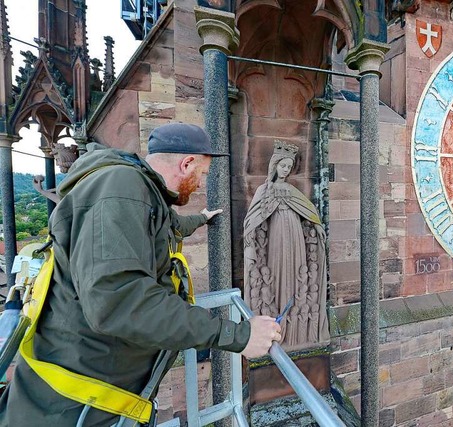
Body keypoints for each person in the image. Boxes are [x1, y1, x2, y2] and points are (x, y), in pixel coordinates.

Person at [0, 123, 281, 426]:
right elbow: (119, 300)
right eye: (201, 173)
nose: (200, 183)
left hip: (94, 397)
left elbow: (168, 226)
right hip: (72, 406)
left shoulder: (140, 190)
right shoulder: (121, 189)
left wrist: (202, 219)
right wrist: (238, 335)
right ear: (186, 163)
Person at [243, 141, 329, 349]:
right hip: (277, 238)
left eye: (289, 168)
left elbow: (309, 212)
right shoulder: (264, 190)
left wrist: (316, 227)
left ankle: (297, 327)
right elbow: (252, 219)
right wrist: (251, 237)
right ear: (275, 165)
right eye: (283, 166)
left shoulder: (292, 191)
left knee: (296, 274)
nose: (285, 170)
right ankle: (276, 325)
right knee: (277, 272)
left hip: (296, 238)